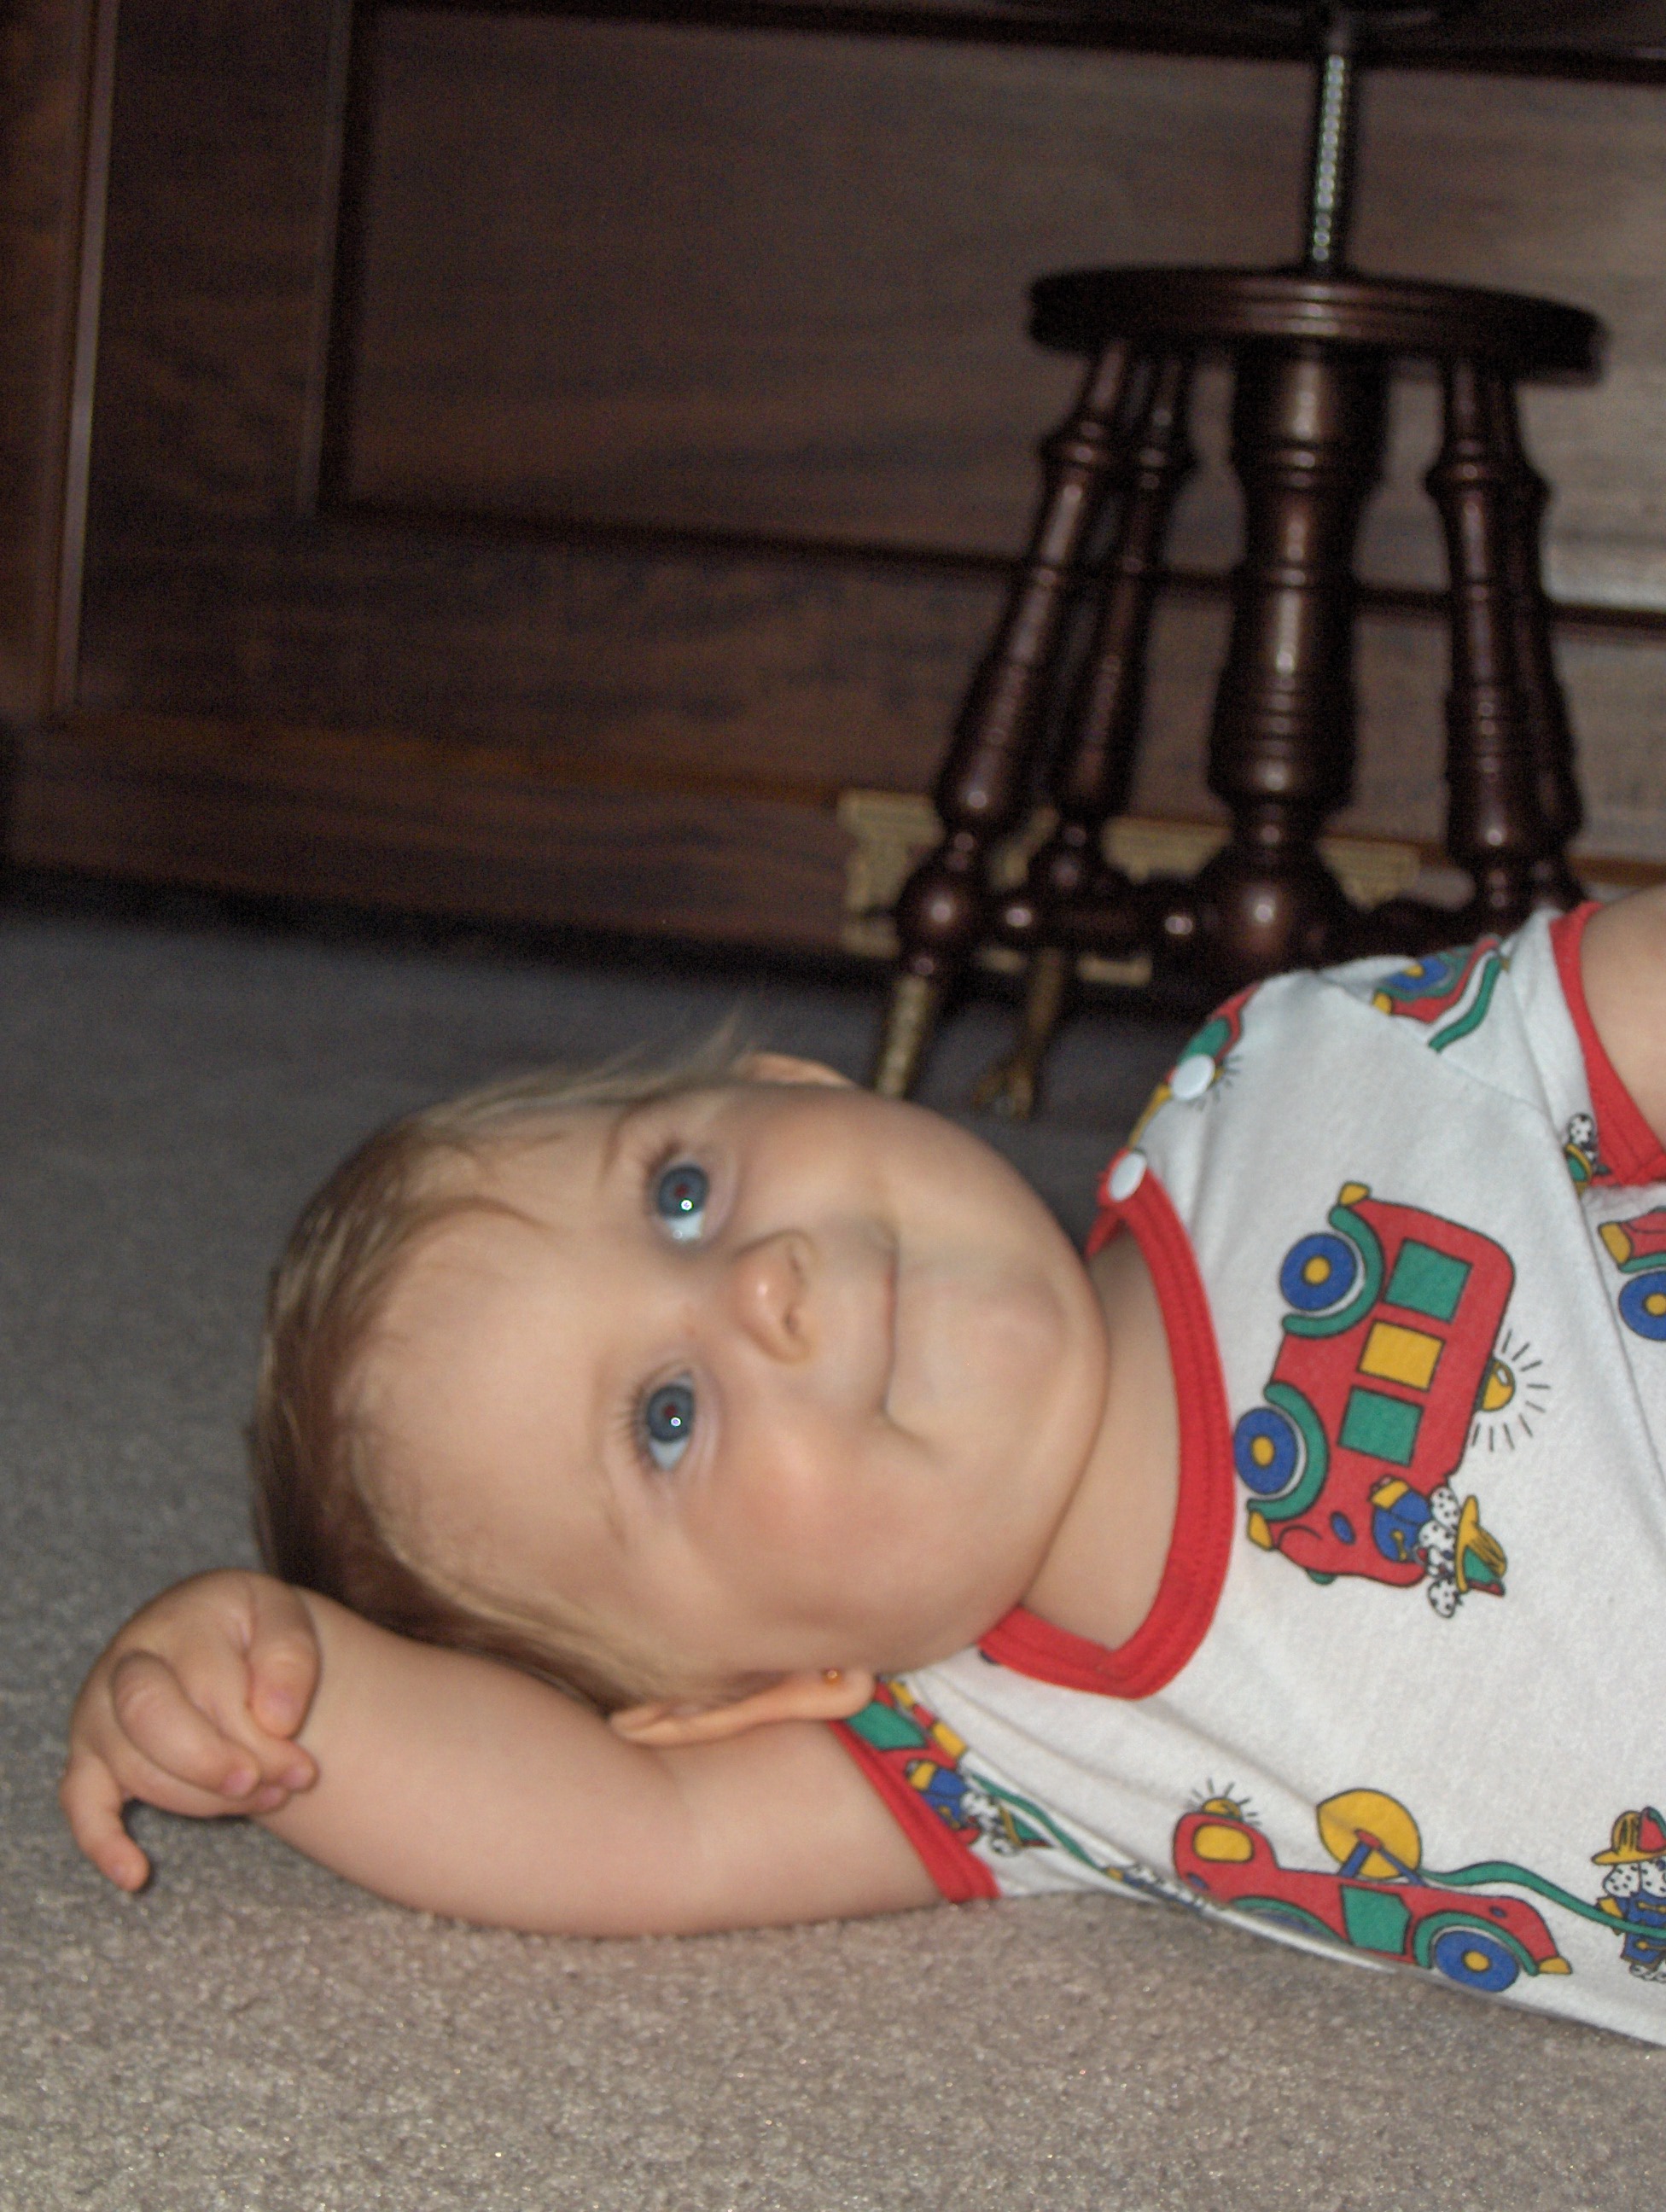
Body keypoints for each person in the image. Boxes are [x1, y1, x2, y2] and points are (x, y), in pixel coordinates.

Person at [61, 890, 1666, 2040]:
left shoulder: (1319, 1084)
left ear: (790, 1088)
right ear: (751, 1695)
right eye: (666, 1419)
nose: (758, 1284)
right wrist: (288, 1687)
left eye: (680, 1195)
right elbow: (615, 1834)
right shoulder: (999, 1752)